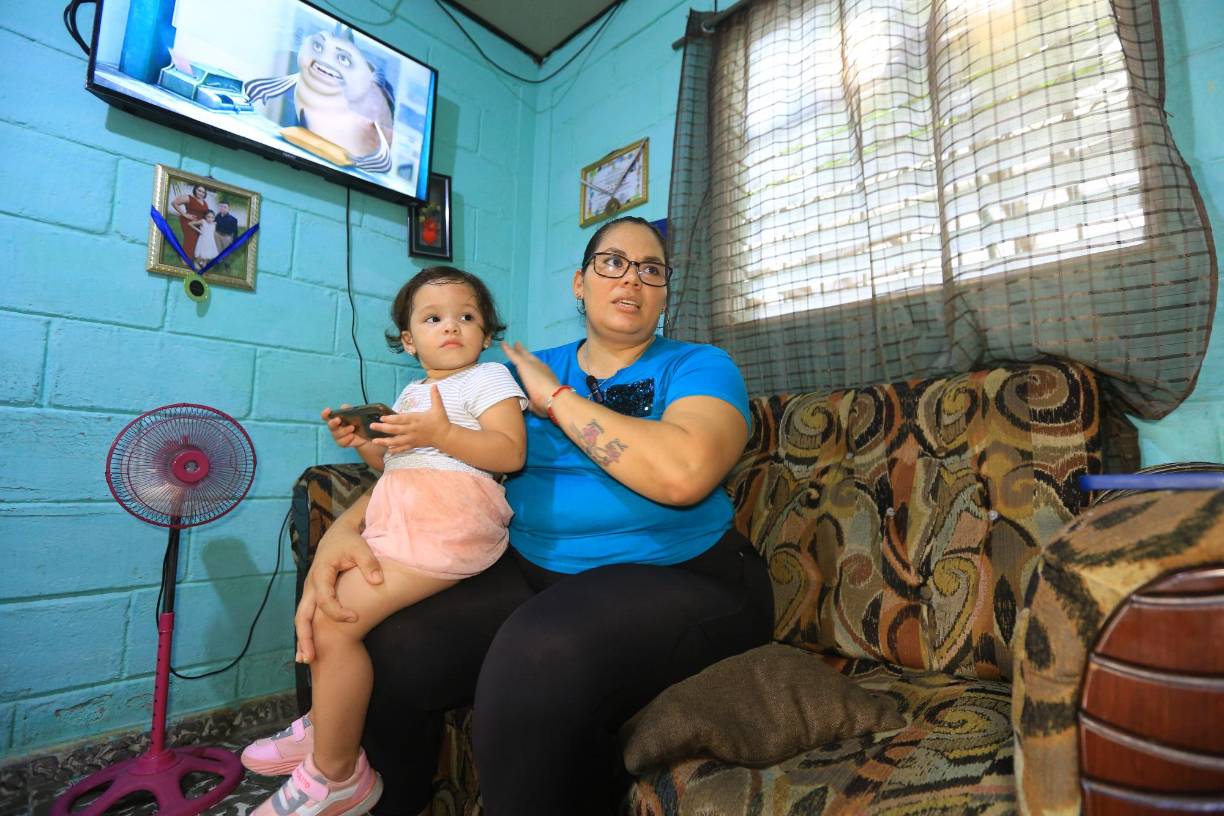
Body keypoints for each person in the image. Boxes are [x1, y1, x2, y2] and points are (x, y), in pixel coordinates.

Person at [290, 216, 773, 816]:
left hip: (685, 572)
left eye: (652, 270)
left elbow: (683, 475)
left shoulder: (700, 365)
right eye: (612, 263)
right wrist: (344, 530)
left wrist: (558, 399)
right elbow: (442, 463)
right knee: (394, 642)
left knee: (538, 653)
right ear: (579, 284)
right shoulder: (507, 374)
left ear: (665, 292)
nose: (632, 279)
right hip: (536, 567)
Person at [242, 267, 528, 816]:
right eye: (433, 318)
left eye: (467, 317)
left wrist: (443, 432)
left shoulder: (488, 379)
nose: (452, 327)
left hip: (450, 522)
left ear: (487, 334)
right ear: (408, 340)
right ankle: (328, 724)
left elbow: (510, 453)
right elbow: (398, 464)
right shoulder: (413, 392)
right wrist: (364, 444)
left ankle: (337, 774)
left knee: (337, 618)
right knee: (326, 607)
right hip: (403, 512)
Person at [170, 183, 210, 261]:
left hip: (199, 223)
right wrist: (185, 215)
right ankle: (185, 258)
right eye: (199, 190)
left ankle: (192, 256)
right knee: (190, 239)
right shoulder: (189, 198)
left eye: (203, 192)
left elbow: (206, 213)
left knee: (197, 240)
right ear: (195, 190)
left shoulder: (204, 202)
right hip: (189, 221)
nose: (201, 193)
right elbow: (174, 203)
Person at [214, 201, 240, 269]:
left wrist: (234, 241)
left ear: (228, 208)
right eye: (221, 206)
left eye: (225, 207)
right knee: (218, 250)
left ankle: (227, 264)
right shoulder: (217, 216)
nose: (222, 208)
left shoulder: (233, 219)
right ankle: (218, 263)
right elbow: (214, 224)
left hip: (226, 237)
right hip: (218, 235)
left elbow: (235, 231)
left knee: (226, 251)